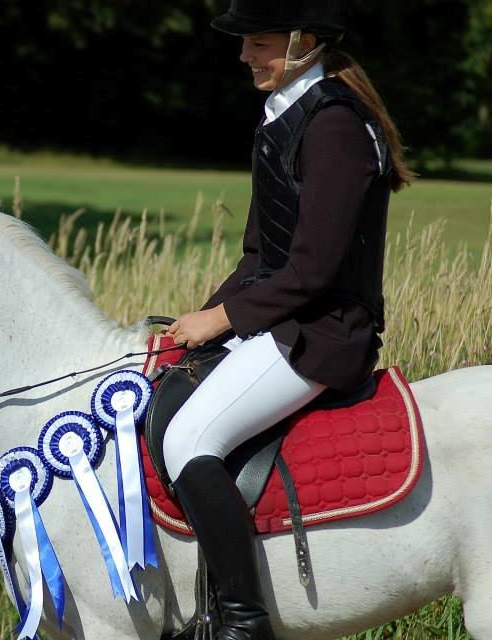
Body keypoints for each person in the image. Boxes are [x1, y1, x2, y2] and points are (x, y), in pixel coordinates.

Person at [161, 1, 415, 639]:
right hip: (284, 322)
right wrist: (196, 319)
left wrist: (221, 319)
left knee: (190, 441)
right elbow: (259, 254)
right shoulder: (282, 116)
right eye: (245, 42)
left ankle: (244, 622)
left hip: (324, 335)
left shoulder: (332, 127)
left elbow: (314, 269)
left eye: (259, 41)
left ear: (305, 42)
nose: (245, 54)